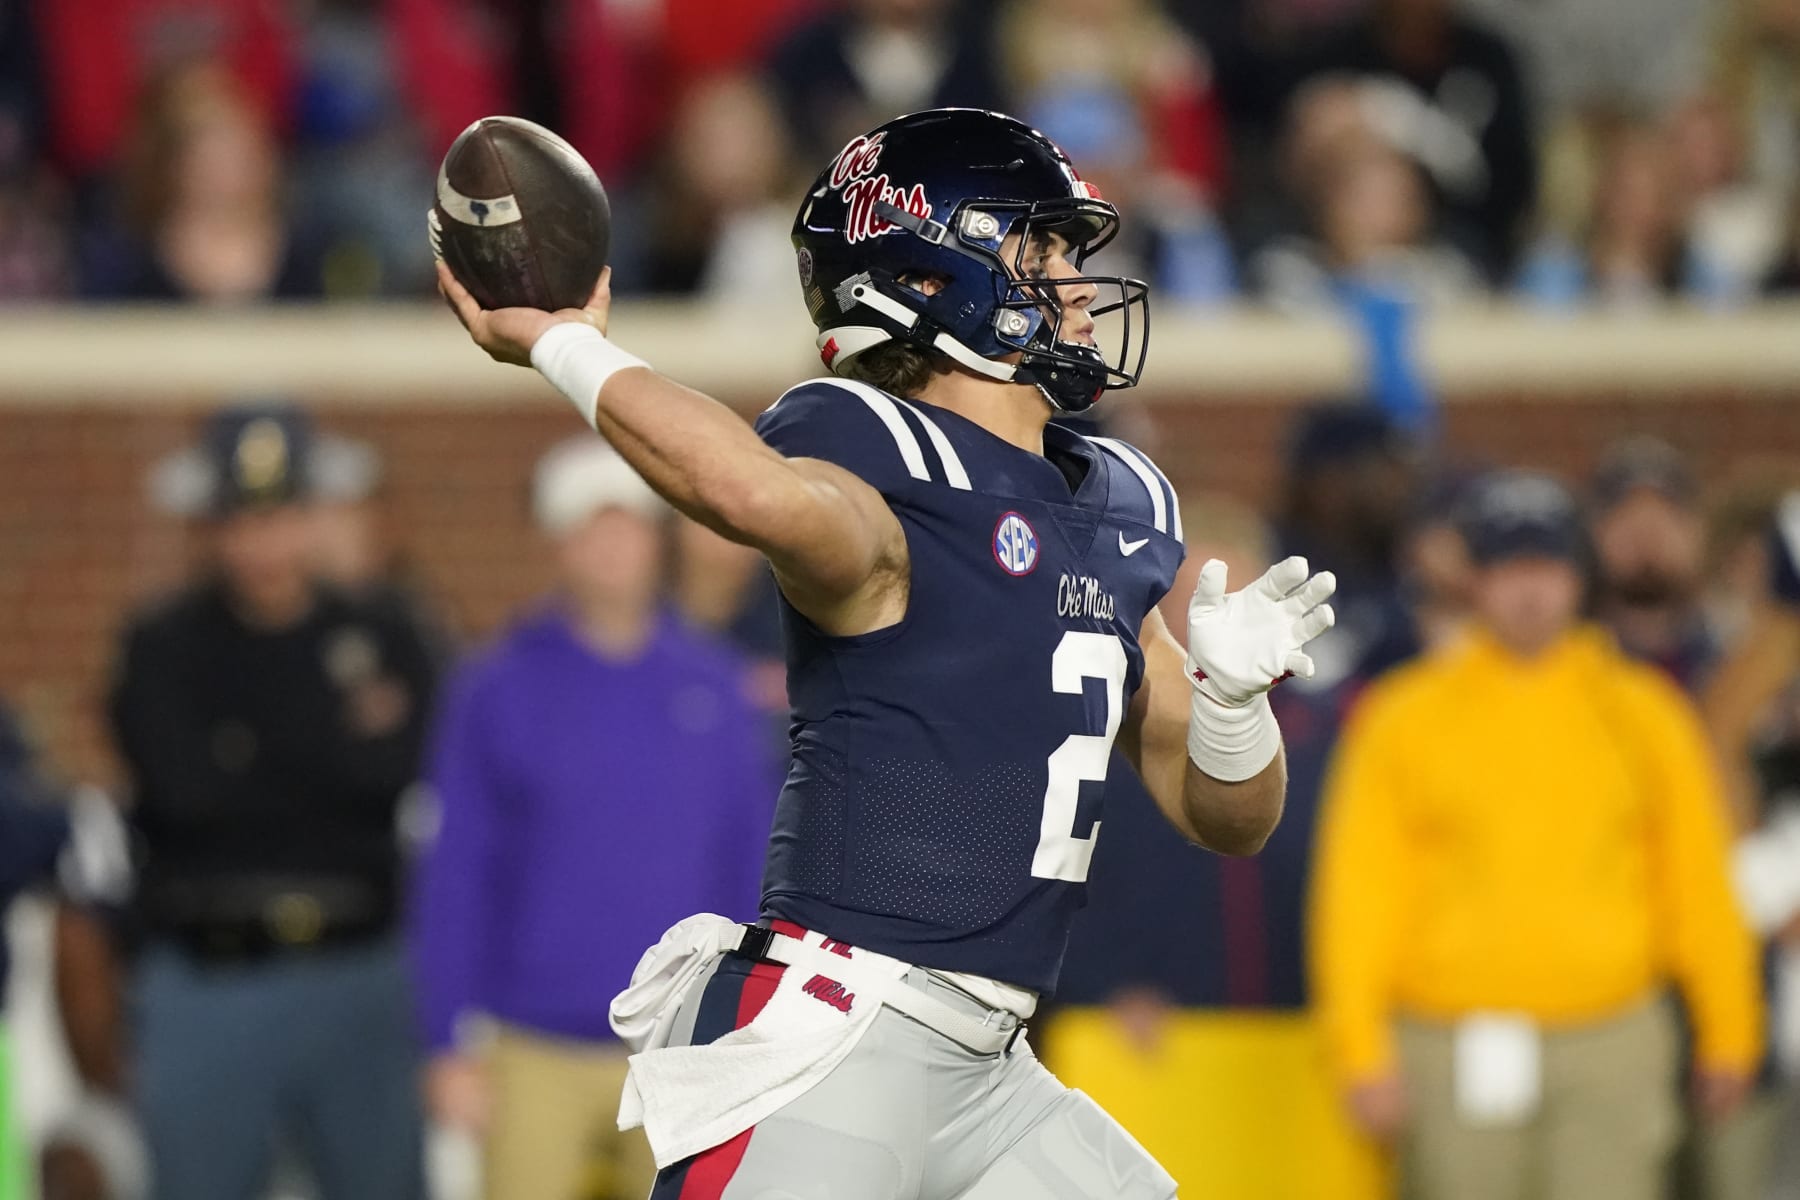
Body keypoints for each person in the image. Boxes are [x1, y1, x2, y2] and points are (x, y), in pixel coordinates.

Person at [437, 106, 1338, 1198]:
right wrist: (561, 340)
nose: (1076, 277)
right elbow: (749, 493)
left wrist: (1235, 707)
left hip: (993, 1068)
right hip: (836, 1040)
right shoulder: (875, 456)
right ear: (932, 277)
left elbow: (1227, 819)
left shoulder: (1117, 498)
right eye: (1041, 247)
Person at [1309, 469, 1764, 1200]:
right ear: (1476, 583)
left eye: (1547, 568)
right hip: (1451, 1037)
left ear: (1578, 579)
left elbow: (1697, 883)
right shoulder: (1404, 717)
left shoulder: (1645, 715)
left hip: (1611, 1035)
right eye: (1508, 568)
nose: (1529, 591)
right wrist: (1359, 1051)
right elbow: (1358, 892)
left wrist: (1730, 1030)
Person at [411, 437, 775, 1200]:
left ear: (656, 538)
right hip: (530, 1046)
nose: (612, 547)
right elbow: (456, 870)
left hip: (684, 1054)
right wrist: (444, 1040)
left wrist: (755, 1029)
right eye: (590, 528)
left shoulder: (716, 687)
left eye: (629, 525)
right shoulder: (495, 687)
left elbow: (751, 864)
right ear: (558, 542)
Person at [108, 404, 439, 1200]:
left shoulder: (385, 631)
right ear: (211, 526)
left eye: (282, 512)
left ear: (313, 515)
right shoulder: (162, 643)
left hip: (360, 968)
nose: (263, 541)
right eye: (241, 518)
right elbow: (185, 796)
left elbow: (396, 773)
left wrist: (246, 748)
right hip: (210, 974)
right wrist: (333, 744)